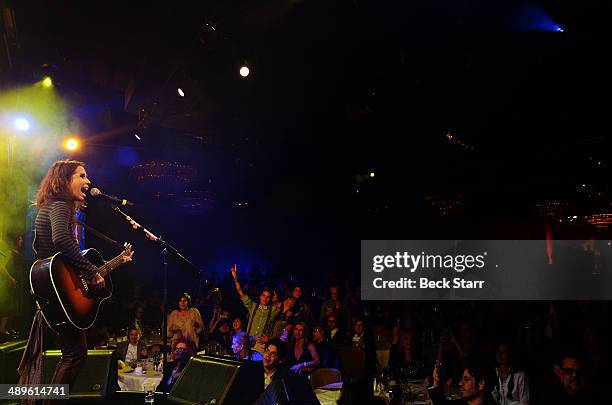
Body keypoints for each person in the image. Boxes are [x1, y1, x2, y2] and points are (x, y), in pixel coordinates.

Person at [18, 160, 134, 394]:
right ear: (64, 180)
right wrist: (90, 271)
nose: (88, 181)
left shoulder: (50, 207)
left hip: (56, 292)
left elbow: (49, 251)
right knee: (74, 354)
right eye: (81, 176)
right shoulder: (60, 205)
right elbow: (61, 240)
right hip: (59, 292)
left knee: (72, 353)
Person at [230, 264, 280, 353]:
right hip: (248, 342)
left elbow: (286, 305)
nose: (265, 298)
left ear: (270, 298)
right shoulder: (253, 306)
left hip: (261, 345)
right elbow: (240, 291)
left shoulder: (273, 310)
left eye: (268, 297)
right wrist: (235, 276)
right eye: (263, 296)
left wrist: (269, 338)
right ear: (260, 296)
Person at [255, 339, 320, 405]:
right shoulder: (252, 369)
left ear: (280, 360)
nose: (268, 355)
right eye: (267, 351)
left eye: (273, 353)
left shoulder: (287, 377)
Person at [427, 361, 496, 405]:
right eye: (462, 378)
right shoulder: (464, 401)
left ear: (481, 384)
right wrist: (436, 380)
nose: (460, 383)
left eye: (466, 379)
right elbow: (442, 403)